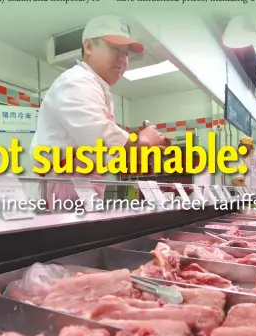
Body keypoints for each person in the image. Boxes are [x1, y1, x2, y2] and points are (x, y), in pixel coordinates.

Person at [30, 16, 169, 207]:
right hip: (64, 184)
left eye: (126, 53)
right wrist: (143, 140)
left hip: (83, 183)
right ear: (88, 47)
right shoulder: (75, 82)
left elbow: (110, 153)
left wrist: (146, 146)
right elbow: (101, 141)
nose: (123, 59)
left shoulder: (97, 88)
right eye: (115, 49)